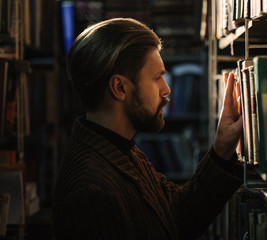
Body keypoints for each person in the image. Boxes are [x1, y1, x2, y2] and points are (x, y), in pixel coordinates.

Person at [53, 18, 245, 240]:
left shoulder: (117, 147)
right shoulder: (90, 191)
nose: (166, 89)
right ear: (120, 87)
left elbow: (178, 216)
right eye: (157, 78)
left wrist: (221, 149)